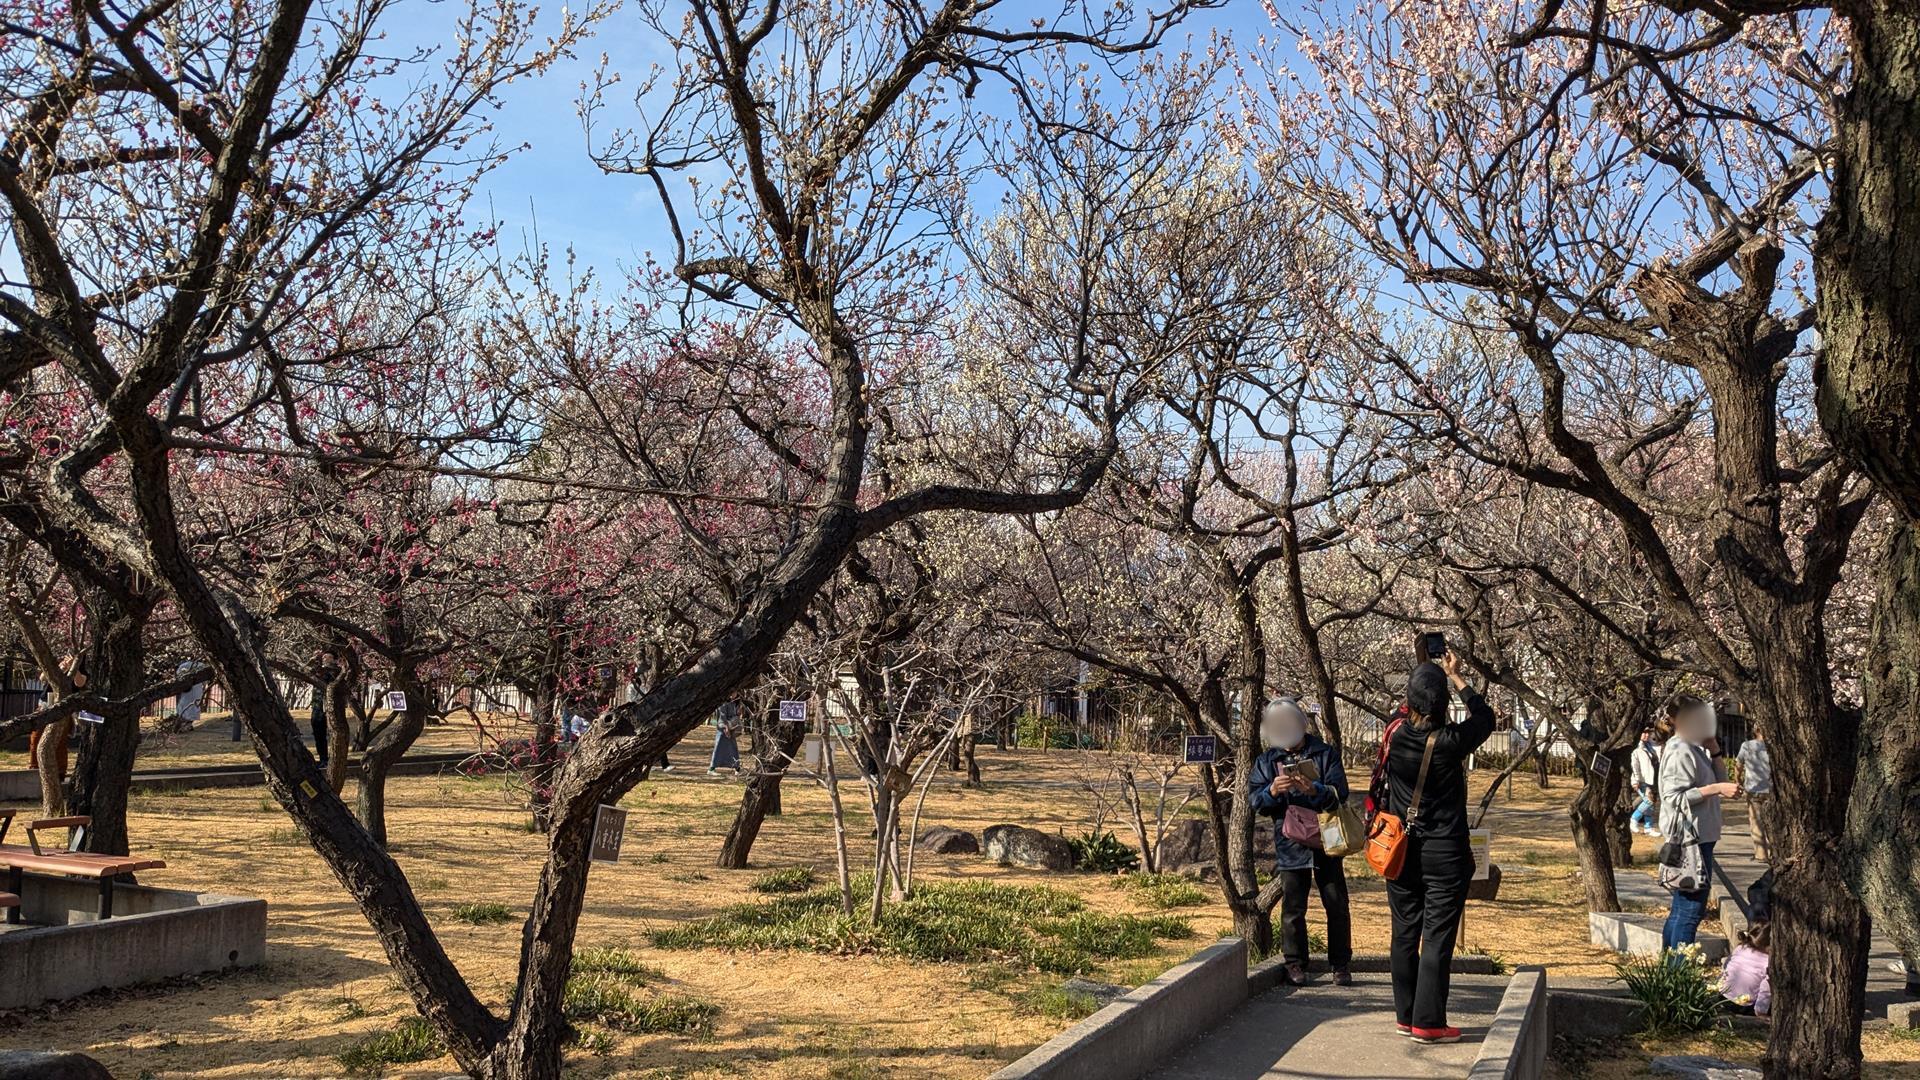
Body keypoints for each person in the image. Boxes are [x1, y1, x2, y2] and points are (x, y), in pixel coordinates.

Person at [1383, 651, 1496, 1045]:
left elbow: (1409, 710)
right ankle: (1428, 1022)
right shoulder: (1450, 742)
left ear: (1408, 702)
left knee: (1403, 933)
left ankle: (1405, 1014)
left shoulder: (1394, 735)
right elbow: (1486, 719)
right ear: (1444, 704)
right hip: (1444, 852)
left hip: (1400, 850)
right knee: (1436, 937)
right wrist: (1457, 677)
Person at [1249, 697, 1352, 986]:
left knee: (1336, 903)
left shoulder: (1324, 753)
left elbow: (1339, 793)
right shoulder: (1266, 761)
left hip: (1327, 838)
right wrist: (1272, 790)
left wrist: (1313, 789)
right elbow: (1256, 802)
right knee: (1294, 907)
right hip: (1290, 841)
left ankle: (1341, 964)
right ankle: (1295, 963)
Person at [1659, 694, 1740, 951]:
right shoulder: (1679, 751)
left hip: (1702, 836)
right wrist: (1715, 788)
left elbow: (1720, 776)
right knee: (1690, 911)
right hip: (1690, 841)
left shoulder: (1693, 748)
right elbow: (1673, 798)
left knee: (1682, 909)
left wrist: (1714, 749)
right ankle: (1677, 976)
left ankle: (1670, 973)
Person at [1720, 920, 1772, 1017]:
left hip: (1722, 997)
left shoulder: (1740, 948)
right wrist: (1761, 1013)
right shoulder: (1768, 961)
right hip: (1744, 1005)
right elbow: (1766, 988)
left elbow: (1726, 966)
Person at [1735, 732, 1771, 861]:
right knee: (1773, 822)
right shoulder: (1775, 746)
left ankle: (1761, 854)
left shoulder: (1747, 746)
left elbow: (1739, 765)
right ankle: (1775, 852)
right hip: (1772, 789)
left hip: (1754, 789)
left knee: (1756, 822)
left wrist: (1737, 779)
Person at [1630, 728, 1663, 837]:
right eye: (1643, 732)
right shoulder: (1636, 749)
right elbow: (1634, 767)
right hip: (1642, 780)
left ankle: (1648, 827)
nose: (1646, 735)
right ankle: (1634, 819)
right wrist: (1635, 780)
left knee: (1651, 804)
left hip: (1653, 779)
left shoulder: (1650, 746)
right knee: (1648, 801)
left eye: (1647, 733)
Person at [708, 699, 742, 776]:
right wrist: (726, 728)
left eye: (735, 692)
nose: (732, 694)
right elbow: (722, 716)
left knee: (733, 747)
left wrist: (738, 714)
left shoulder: (735, 703)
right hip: (723, 727)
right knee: (718, 748)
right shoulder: (723, 702)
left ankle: (737, 768)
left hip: (732, 727)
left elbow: (736, 716)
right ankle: (711, 769)